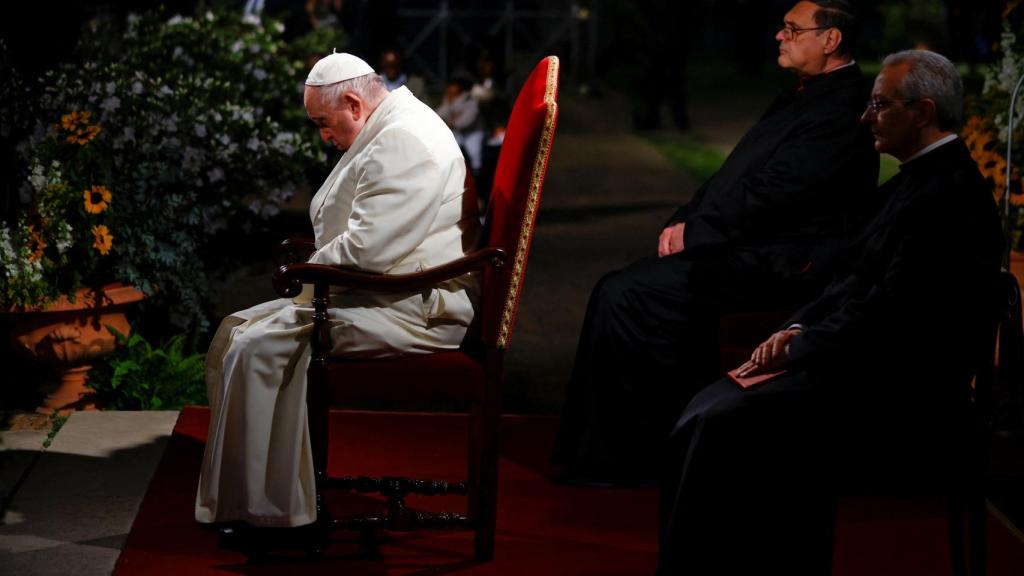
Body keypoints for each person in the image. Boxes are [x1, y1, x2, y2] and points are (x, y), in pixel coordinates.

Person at [657, 49, 1003, 574]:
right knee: (710, 405)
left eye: (880, 106)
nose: (865, 118)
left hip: (901, 388)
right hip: (862, 357)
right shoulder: (915, 179)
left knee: (723, 422)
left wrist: (802, 345)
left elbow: (894, 311)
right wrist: (795, 326)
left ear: (923, 111)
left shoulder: (948, 195)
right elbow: (852, 277)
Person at [552, 0, 879, 485]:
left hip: (783, 259)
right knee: (622, 287)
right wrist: (685, 218)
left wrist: (698, 232)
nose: (778, 36)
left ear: (830, 40)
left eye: (792, 29)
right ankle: (615, 446)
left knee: (627, 294)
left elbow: (779, 195)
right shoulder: (803, 95)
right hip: (749, 243)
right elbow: (734, 176)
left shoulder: (842, 107)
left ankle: (633, 455)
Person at [195, 52, 480, 528]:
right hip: (387, 291)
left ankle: (271, 510)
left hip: (417, 307)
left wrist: (306, 269)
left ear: (352, 102)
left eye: (323, 123)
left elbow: (368, 250)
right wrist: (312, 269)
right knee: (237, 330)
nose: (323, 136)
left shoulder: (405, 139)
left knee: (258, 346)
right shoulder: (389, 123)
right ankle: (251, 498)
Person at [436, 76, 486, 177]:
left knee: (475, 157)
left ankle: (477, 178)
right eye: (451, 86)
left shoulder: (470, 98)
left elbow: (468, 119)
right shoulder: (449, 98)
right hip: (457, 132)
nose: (452, 88)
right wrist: (449, 105)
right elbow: (440, 114)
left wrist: (452, 122)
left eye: (454, 86)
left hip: (473, 133)